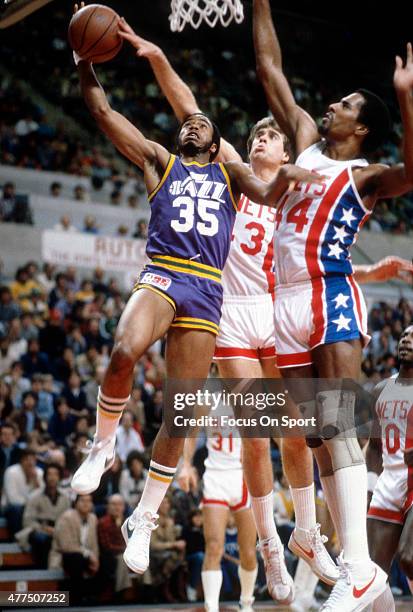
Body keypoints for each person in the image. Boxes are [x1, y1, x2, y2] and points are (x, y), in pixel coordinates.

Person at [118, 22, 413, 605]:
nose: (260, 137)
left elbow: (326, 239)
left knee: (316, 434)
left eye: (268, 133)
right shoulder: (237, 174)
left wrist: (367, 272)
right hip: (254, 314)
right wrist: (158, 57)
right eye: (254, 132)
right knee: (271, 434)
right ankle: (295, 551)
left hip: (303, 302)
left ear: (285, 146)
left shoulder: (315, 175)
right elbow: (203, 103)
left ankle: (330, 548)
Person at [69, 5, 322, 579]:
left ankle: (151, 520)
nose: (194, 122)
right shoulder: (162, 160)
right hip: (169, 274)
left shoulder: (232, 174)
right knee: (122, 351)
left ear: (215, 139)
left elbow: (267, 186)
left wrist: (290, 178)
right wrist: (85, 59)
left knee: (187, 417)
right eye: (190, 121)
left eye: (204, 122)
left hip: (223, 298)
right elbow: (105, 109)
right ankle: (102, 445)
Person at [253, 1, 413, 609]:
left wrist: (404, 96)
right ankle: (366, 583)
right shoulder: (304, 142)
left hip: (330, 292)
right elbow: (270, 69)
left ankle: (360, 568)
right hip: (283, 300)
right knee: (318, 437)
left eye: (345, 104)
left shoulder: (368, 175)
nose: (331, 107)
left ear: (362, 126)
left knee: (340, 424)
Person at [179, 402, 257, 612]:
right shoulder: (206, 399)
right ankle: (211, 607)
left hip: (243, 476)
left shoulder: (249, 397)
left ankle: (247, 602)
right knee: (213, 547)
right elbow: (192, 433)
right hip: (215, 476)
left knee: (248, 551)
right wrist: (186, 465)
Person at [366, 325, 413, 611]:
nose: (407, 339)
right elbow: (373, 445)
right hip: (388, 479)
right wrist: (371, 483)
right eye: (405, 335)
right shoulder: (381, 388)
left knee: (409, 558)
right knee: (372, 574)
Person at [19, 463, 70, 567]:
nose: (52, 478)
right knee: (43, 539)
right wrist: (44, 528)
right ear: (45, 477)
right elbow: (27, 521)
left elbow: (67, 520)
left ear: (59, 477)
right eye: (49, 474)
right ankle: (43, 572)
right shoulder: (34, 496)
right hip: (37, 529)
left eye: (55, 474)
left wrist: (57, 530)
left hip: (58, 530)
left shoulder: (65, 498)